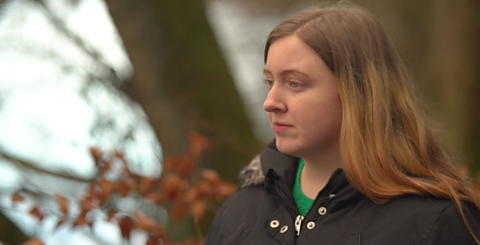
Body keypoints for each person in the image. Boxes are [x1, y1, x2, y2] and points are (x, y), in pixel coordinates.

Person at [205, 3, 480, 245]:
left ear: (358, 92)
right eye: (270, 82)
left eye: (295, 83)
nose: (270, 102)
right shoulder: (242, 210)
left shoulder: (433, 223)